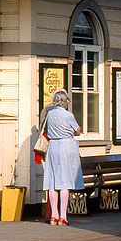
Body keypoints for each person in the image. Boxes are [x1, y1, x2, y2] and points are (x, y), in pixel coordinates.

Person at [40, 88, 83, 225]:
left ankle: (54, 215)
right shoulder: (68, 115)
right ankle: (63, 216)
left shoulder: (50, 114)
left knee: (52, 181)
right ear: (66, 102)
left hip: (53, 146)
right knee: (65, 181)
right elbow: (78, 130)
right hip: (66, 145)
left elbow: (46, 129)